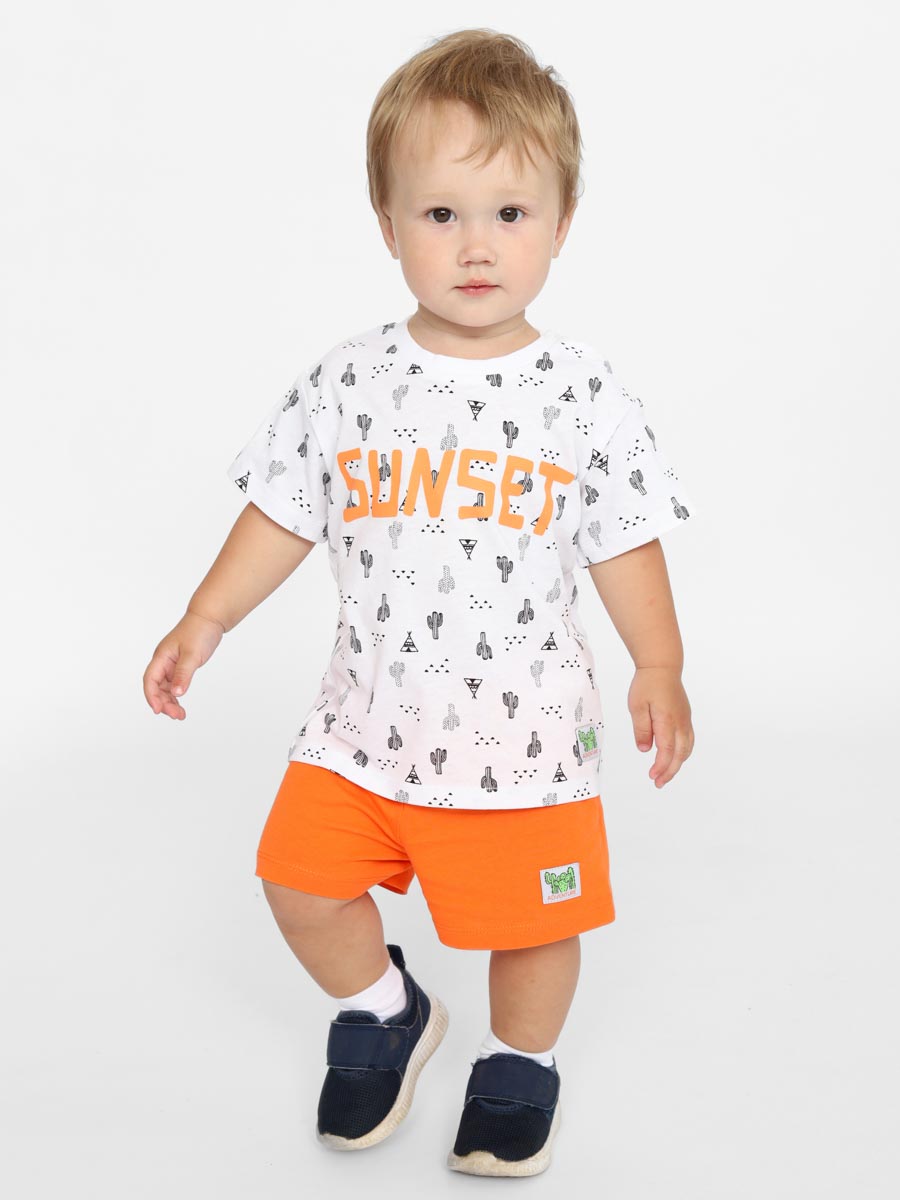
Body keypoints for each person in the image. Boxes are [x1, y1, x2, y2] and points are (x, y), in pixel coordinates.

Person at [143, 27, 698, 1179]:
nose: (477, 245)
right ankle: (385, 1008)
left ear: (563, 222)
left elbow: (625, 542)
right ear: (389, 224)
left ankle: (521, 1062)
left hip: (521, 741)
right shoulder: (349, 380)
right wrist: (205, 618)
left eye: (511, 212)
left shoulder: (584, 395)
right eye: (441, 213)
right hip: (363, 725)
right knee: (297, 883)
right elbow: (285, 510)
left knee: (533, 930)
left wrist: (659, 665)